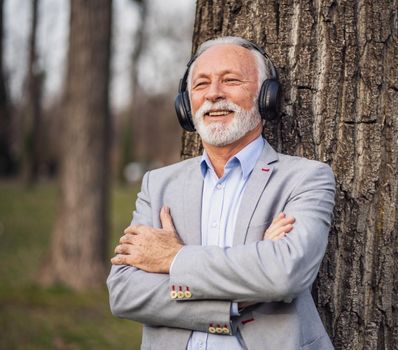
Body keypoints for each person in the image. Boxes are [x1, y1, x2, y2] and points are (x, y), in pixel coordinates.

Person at [107, 36, 336, 350]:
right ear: (186, 105)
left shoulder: (305, 178)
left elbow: (285, 273)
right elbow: (125, 293)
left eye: (231, 80)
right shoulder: (158, 185)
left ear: (266, 96)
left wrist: (173, 258)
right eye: (201, 84)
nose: (214, 94)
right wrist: (236, 301)